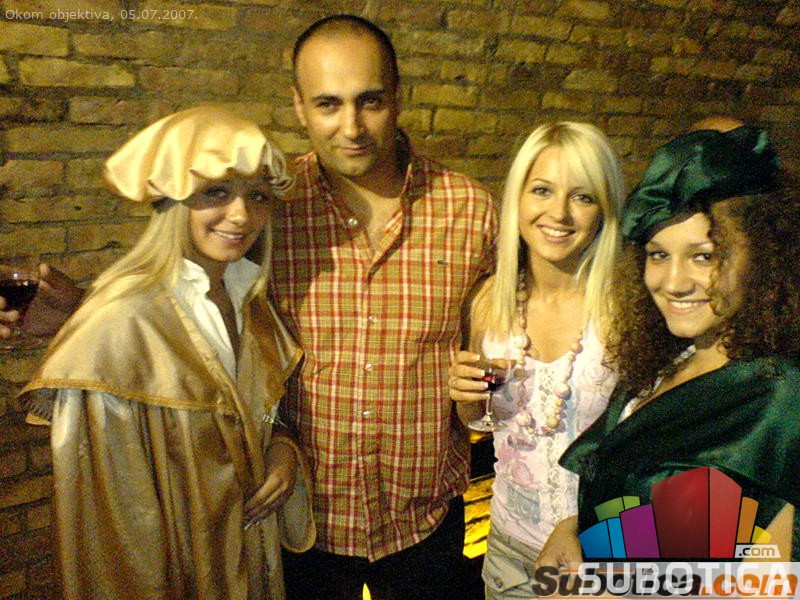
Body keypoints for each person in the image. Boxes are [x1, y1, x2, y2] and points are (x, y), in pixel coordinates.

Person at [18, 106, 315, 600]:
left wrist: (282, 449)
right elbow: (110, 528)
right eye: (216, 192)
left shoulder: (249, 299)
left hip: (250, 562)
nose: (242, 215)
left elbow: (259, 413)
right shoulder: (121, 319)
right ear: (174, 199)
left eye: (258, 195)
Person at [273, 14, 497, 599]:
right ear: (299, 106)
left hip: (426, 519)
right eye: (328, 104)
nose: (351, 127)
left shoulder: (470, 209)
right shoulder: (270, 211)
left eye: (369, 101)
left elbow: (524, 321)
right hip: (305, 521)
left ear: (397, 97)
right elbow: (202, 323)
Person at [541, 123, 800, 566]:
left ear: (763, 255)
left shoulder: (781, 401)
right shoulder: (669, 358)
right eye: (658, 254)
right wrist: (570, 533)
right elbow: (640, 508)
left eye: (704, 256)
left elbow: (772, 578)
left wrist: (606, 593)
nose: (674, 282)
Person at [448, 122, 623, 597]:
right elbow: (480, 424)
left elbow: (653, 449)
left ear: (605, 209)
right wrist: (465, 398)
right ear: (518, 199)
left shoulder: (625, 309)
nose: (559, 213)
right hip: (506, 547)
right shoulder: (489, 301)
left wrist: (582, 525)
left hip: (600, 552)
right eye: (542, 190)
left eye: (582, 197)